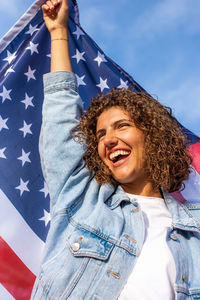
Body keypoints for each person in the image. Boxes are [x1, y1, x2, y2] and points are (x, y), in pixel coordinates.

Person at [31, 0, 200, 299]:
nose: (107, 140)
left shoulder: (194, 230)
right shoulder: (81, 197)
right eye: (100, 134)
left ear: (152, 136)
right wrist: (58, 32)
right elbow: (60, 112)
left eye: (121, 126)